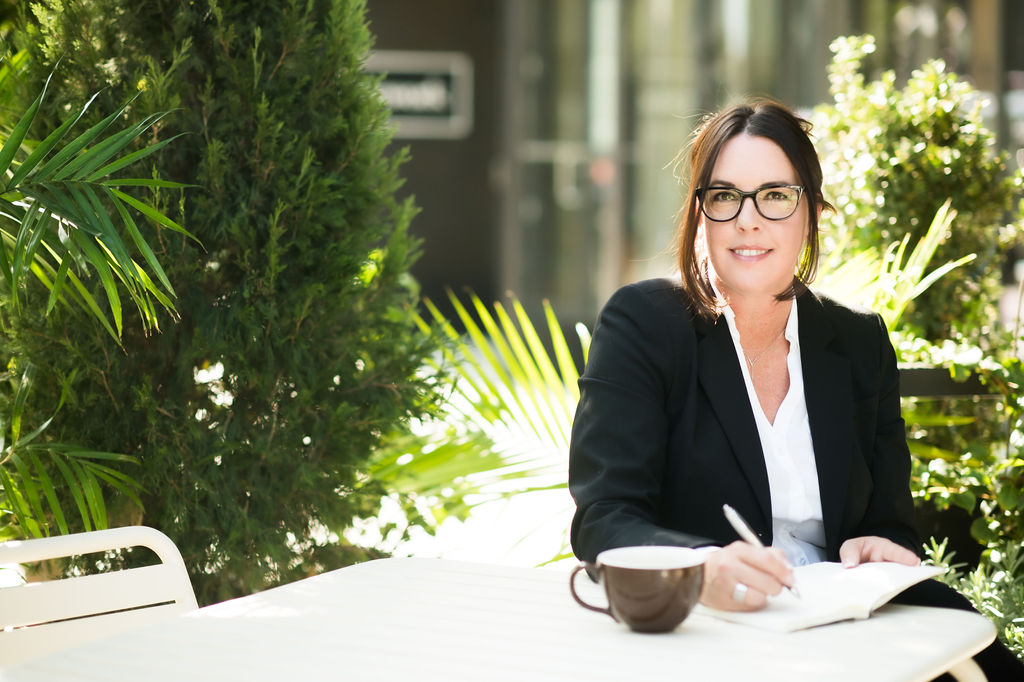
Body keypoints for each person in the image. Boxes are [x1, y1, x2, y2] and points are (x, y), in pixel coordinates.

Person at [568, 97, 1024, 679]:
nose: (748, 220)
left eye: (776, 196)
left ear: (810, 213)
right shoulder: (644, 324)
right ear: (699, 212)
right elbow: (604, 516)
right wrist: (701, 567)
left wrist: (882, 546)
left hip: (853, 629)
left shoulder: (858, 342)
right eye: (725, 196)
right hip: (709, 634)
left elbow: (892, 522)